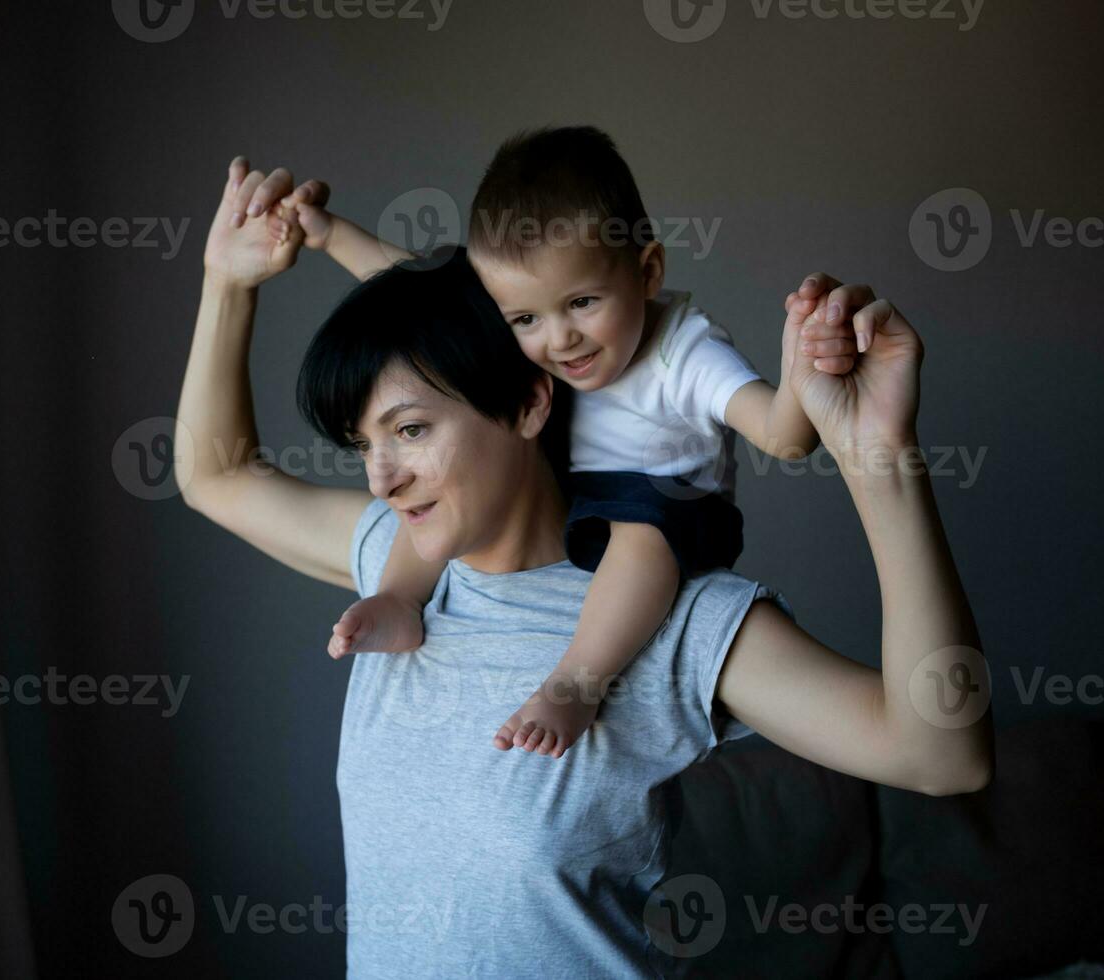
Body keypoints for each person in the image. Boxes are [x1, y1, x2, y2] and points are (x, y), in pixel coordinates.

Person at [175, 157, 993, 975]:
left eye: (413, 430)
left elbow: (941, 755)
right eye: (365, 446)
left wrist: (880, 458)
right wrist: (226, 283)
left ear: (529, 403)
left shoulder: (669, 613)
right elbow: (216, 475)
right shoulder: (397, 556)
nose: (381, 478)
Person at [289, 125, 859, 759]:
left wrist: (806, 365)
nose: (559, 341)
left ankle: (576, 682)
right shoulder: (538, 330)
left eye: (583, 302)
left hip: (670, 504)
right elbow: (421, 307)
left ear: (647, 271)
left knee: (637, 535)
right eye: (526, 319)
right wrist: (330, 233)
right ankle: (399, 598)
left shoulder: (687, 352)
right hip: (586, 485)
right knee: (436, 492)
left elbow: (784, 437)